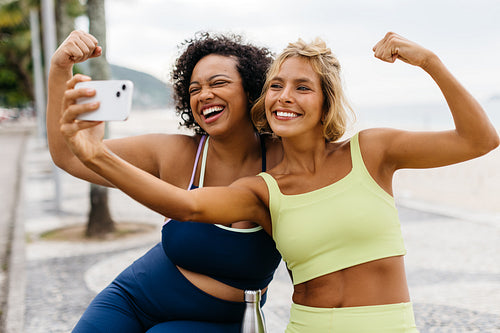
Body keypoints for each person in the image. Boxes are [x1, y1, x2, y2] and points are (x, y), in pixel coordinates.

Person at [58, 32, 499, 332]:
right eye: (276, 86)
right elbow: (186, 207)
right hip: (307, 325)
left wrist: (429, 61)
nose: (284, 97)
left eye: (302, 87)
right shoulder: (264, 187)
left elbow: (480, 139)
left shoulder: (373, 151)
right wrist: (95, 153)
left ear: (327, 101)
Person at [47, 30, 283, 332]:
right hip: (134, 298)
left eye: (218, 83)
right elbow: (68, 156)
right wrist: (59, 69)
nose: (204, 95)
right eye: (194, 89)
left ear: (251, 90)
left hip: (227, 320)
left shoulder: (282, 160)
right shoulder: (176, 153)